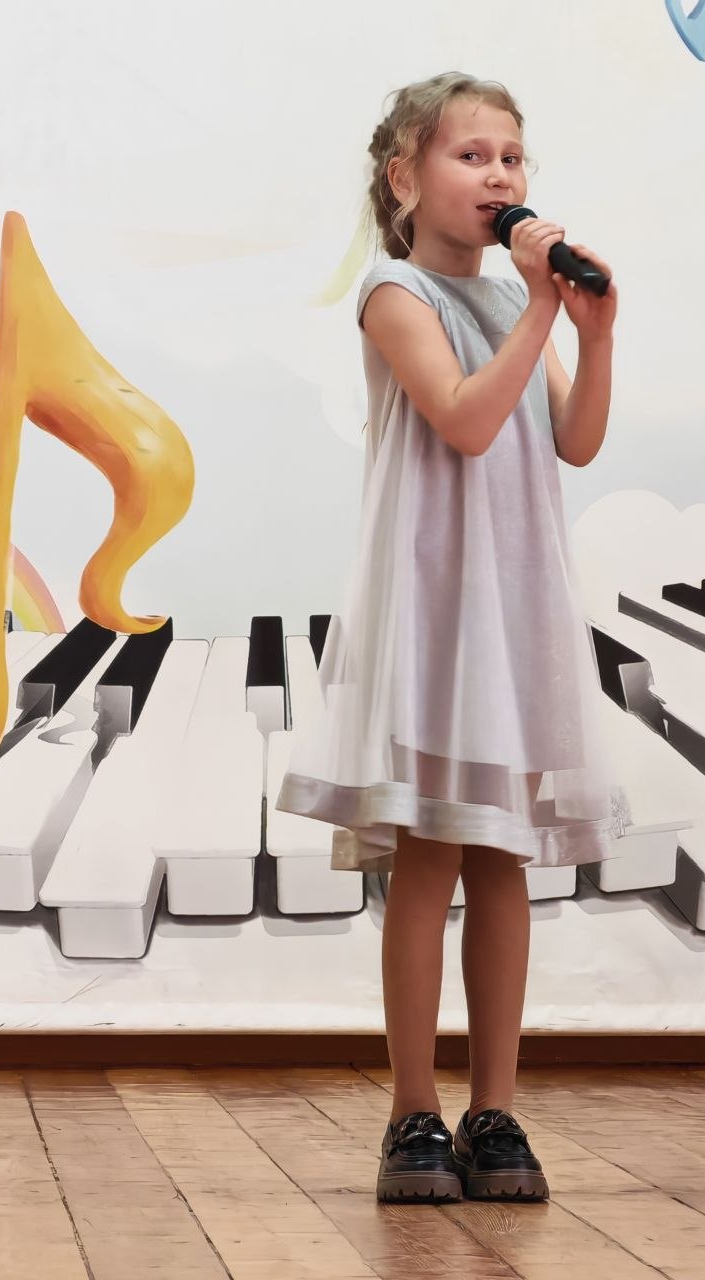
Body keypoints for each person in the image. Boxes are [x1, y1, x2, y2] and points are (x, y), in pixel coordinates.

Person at [275, 70, 630, 1203]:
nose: (498, 175)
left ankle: (496, 1109)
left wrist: (592, 336)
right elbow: (469, 423)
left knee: (502, 858)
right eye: (470, 155)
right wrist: (538, 311)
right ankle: (414, 1111)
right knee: (429, 853)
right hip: (436, 610)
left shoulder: (516, 306)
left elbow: (574, 439)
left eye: (511, 157)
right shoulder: (397, 294)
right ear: (403, 177)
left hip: (513, 607)